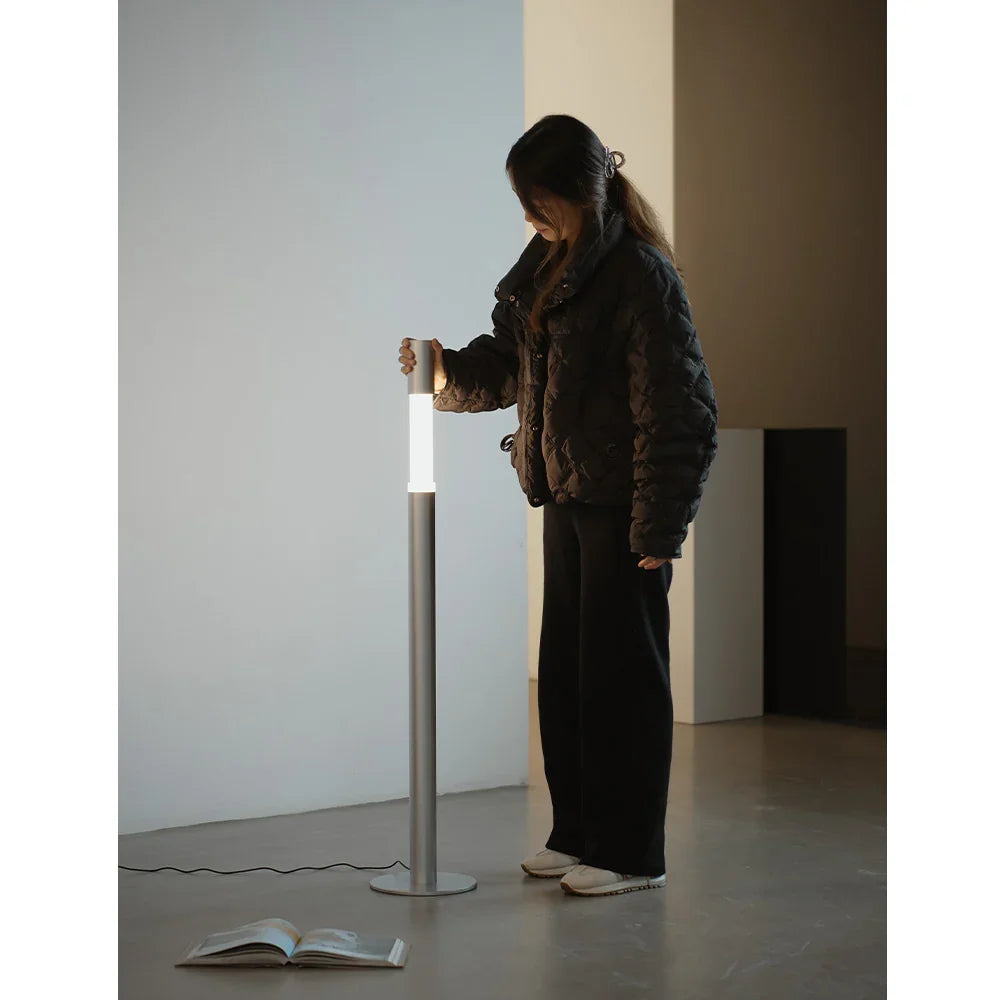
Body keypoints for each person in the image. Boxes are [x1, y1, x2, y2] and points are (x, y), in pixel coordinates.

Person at [398, 114, 718, 898]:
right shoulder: (546, 268)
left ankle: (632, 854)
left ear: (579, 193)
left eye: (540, 201)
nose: (531, 217)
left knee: (625, 684)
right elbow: (507, 364)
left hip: (626, 510)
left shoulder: (642, 276)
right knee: (571, 677)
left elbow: (681, 412)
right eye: (526, 203)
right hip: (565, 498)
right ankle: (577, 833)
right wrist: (443, 372)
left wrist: (660, 527)